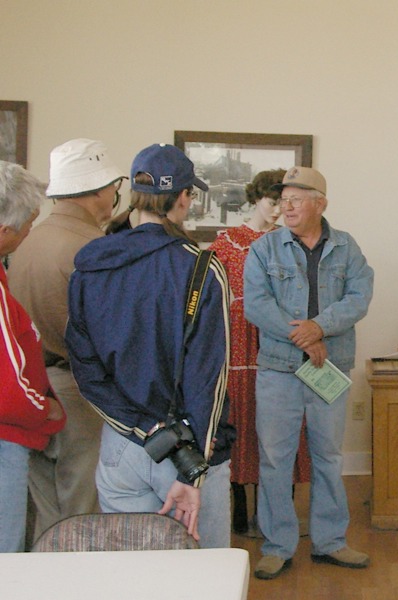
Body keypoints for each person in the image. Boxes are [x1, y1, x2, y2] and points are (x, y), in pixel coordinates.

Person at [65, 143, 233, 546]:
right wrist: (193, 469)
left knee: (133, 577)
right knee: (205, 577)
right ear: (182, 198)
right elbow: (208, 379)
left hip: (123, 444)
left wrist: (144, 428)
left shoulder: (89, 267)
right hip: (189, 450)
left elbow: (86, 370)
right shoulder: (202, 268)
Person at [243, 166, 374, 579]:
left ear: (321, 203)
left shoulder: (347, 247)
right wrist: (305, 336)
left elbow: (359, 296)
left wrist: (321, 327)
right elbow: (256, 305)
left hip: (328, 368)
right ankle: (278, 545)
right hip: (279, 370)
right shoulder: (265, 249)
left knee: (329, 457)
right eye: (283, 200)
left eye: (296, 199)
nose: (287, 207)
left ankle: (330, 541)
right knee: (275, 460)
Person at [8, 138, 124, 541]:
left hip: (35, 388)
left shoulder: (27, 241)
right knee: (81, 510)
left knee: (45, 507)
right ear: (99, 190)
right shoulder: (95, 249)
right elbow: (112, 335)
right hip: (80, 391)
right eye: (114, 185)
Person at [208, 169, 312, 537]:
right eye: (272, 203)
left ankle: (279, 517)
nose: (277, 212)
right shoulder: (226, 244)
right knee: (238, 428)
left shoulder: (294, 243)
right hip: (237, 351)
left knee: (285, 432)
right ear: (256, 199)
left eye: (284, 205)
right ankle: (237, 513)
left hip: (282, 349)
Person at [0, 162, 66, 552]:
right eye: (29, 224)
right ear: (5, 229)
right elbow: (8, 383)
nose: (30, 233)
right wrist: (45, 409)